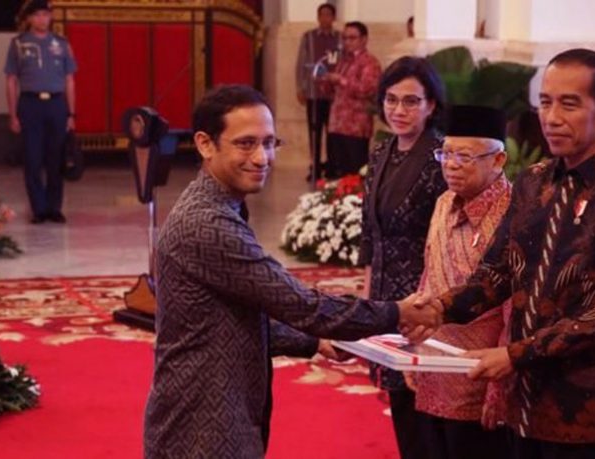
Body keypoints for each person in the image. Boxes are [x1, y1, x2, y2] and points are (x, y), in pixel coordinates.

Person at [143, 85, 441, 459]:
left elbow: (232, 318)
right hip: (202, 427)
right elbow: (302, 305)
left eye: (269, 143)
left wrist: (314, 343)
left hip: (218, 413)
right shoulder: (206, 223)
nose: (261, 158)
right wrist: (397, 313)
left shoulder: (219, 206)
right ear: (205, 144)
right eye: (246, 144)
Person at [406, 48, 595, 459]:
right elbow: (498, 273)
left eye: (569, 104)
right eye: (545, 102)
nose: (551, 117)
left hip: (580, 408)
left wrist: (515, 354)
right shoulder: (534, 181)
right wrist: (437, 309)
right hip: (520, 400)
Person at [410, 105, 512, 459]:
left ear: (498, 160)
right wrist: (415, 352)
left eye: (464, 156)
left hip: (478, 375)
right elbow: (429, 273)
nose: (450, 165)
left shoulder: (514, 212)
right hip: (433, 363)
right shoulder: (443, 202)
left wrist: (499, 387)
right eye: (446, 154)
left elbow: (514, 307)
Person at [358, 56, 447, 459]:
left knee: (423, 407)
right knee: (401, 404)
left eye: (411, 101)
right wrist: (367, 297)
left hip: (423, 301)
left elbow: (446, 239)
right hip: (385, 298)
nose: (398, 110)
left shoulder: (442, 157)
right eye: (391, 99)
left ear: (431, 105)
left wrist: (433, 306)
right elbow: (369, 230)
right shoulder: (382, 152)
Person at [4, 0, 77, 224]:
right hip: (30, 104)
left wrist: (71, 114)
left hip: (56, 104)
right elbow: (11, 80)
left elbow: (69, 80)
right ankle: (38, 208)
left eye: (45, 14)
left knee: (56, 158)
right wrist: (13, 114)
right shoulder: (18, 44)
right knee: (32, 158)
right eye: (37, 15)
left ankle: (54, 207)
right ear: (29, 18)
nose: (42, 19)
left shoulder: (62, 44)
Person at [324, 21, 381, 179]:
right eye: (345, 38)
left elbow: (368, 89)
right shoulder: (343, 61)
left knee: (354, 172)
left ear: (364, 39)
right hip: (337, 124)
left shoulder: (370, 62)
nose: (347, 42)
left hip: (356, 126)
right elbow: (333, 92)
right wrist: (327, 81)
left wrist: (341, 80)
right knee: (337, 172)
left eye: (352, 38)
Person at [295, 3, 341, 182]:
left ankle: (331, 166)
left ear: (333, 17)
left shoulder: (339, 38)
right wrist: (301, 87)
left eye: (328, 15)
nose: (325, 18)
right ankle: (314, 166)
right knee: (314, 131)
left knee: (333, 133)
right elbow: (301, 63)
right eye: (322, 15)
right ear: (318, 17)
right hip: (314, 94)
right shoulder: (309, 37)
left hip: (335, 95)